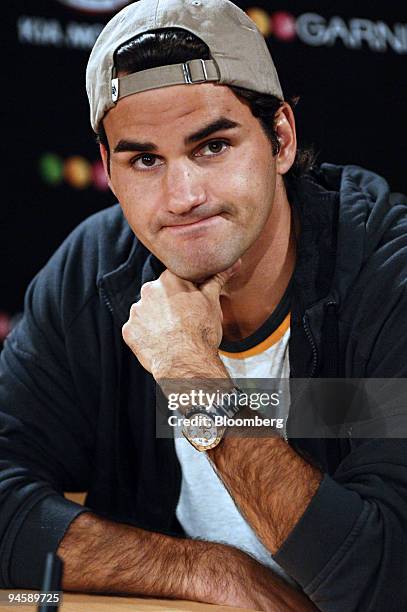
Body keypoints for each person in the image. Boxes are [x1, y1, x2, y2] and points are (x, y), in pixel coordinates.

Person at [1, 0, 407, 610]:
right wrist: (205, 570)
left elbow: (383, 577)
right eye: (144, 160)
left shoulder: (384, 273)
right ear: (109, 171)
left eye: (212, 146)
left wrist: (195, 383)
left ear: (281, 140)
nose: (183, 196)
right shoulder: (93, 270)